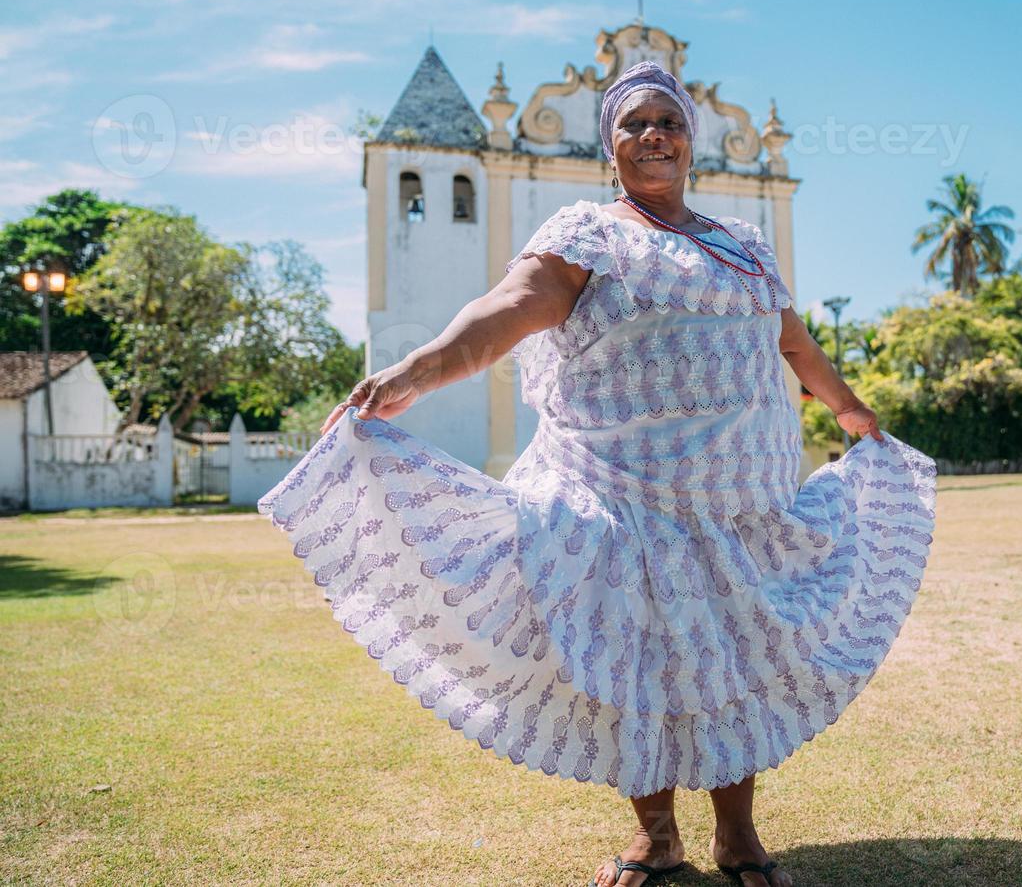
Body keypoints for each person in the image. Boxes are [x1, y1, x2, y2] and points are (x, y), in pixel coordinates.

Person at [257, 60, 937, 887]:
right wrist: (415, 371)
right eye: (634, 123)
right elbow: (507, 312)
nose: (654, 134)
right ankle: (657, 837)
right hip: (617, 496)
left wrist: (850, 410)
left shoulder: (744, 249)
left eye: (670, 122)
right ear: (608, 144)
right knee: (638, 664)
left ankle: (737, 836)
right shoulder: (588, 234)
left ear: (691, 141)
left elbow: (791, 342)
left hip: (735, 506)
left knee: (732, 659)